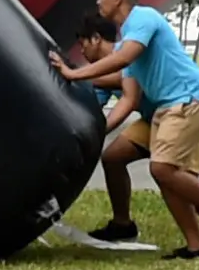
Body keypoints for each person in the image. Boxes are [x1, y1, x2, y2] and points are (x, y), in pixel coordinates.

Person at [54, 0, 199, 257]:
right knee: (118, 158)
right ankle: (192, 243)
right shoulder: (127, 38)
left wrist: (72, 73)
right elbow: (114, 83)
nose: (98, 1)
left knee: (164, 170)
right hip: (163, 113)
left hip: (187, 102)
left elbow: (125, 67)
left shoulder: (143, 19)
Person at [60, 14, 145, 240]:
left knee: (173, 174)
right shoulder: (99, 71)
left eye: (83, 44)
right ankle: (122, 225)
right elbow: (93, 106)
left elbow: (127, 89)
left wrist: (76, 75)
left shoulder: (127, 52)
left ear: (96, 39)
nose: (82, 52)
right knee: (113, 158)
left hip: (180, 111)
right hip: (152, 120)